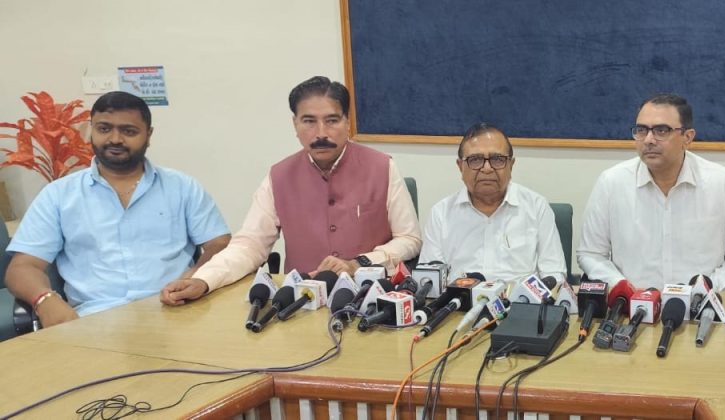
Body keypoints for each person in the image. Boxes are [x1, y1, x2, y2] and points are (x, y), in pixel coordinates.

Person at [165, 76, 421, 304]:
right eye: (309, 121)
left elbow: (410, 239)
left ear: (347, 122)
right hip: (300, 301)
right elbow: (250, 245)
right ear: (295, 124)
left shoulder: (382, 167)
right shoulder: (279, 176)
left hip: (372, 298)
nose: (321, 133)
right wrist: (203, 280)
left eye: (332, 120)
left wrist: (360, 263)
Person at [5, 91, 231, 326]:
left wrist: (196, 276)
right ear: (91, 130)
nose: (115, 139)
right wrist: (44, 299)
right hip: (93, 320)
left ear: (148, 135)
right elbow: (22, 267)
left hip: (176, 310)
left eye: (129, 131)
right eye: (104, 129)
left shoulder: (182, 187)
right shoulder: (59, 194)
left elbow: (220, 243)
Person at [578, 93, 725, 291]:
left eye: (661, 131)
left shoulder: (723, 183)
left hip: (701, 304)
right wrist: (620, 286)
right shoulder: (612, 182)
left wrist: (708, 288)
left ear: (687, 137)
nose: (649, 140)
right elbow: (591, 254)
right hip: (631, 304)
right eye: (641, 130)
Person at [419, 123, 565, 285]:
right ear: (460, 166)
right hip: (459, 299)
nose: (487, 168)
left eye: (497, 159)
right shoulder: (441, 213)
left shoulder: (536, 207)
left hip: (520, 299)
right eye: (475, 160)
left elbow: (554, 274)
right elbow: (429, 279)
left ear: (511, 165)